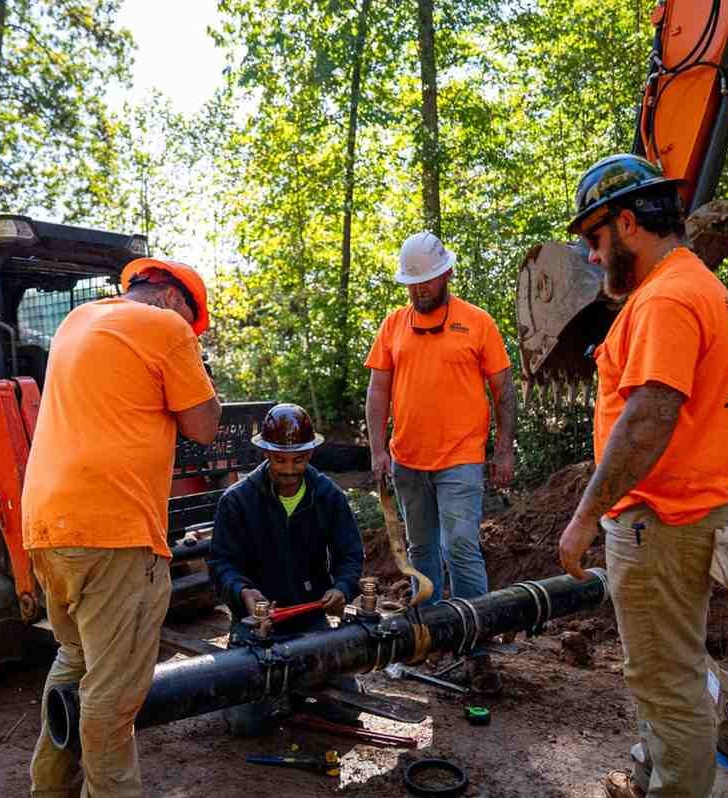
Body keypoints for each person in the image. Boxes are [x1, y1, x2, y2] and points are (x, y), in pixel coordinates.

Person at [555, 155, 728, 798]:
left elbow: (648, 417)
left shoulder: (666, 298)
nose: (591, 255)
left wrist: (585, 516)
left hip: (662, 522)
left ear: (628, 222)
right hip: (691, 514)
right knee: (669, 671)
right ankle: (650, 774)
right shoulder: (694, 285)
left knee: (666, 685)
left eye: (594, 237)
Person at [23, 258, 221, 798]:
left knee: (76, 663)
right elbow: (204, 426)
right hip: (114, 532)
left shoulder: (78, 320)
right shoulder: (166, 327)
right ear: (176, 301)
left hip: (47, 527)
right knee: (112, 700)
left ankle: (49, 788)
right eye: (191, 320)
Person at [364, 231, 516, 685]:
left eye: (427, 280)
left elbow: (504, 390)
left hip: (461, 458)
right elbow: (378, 391)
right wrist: (377, 449)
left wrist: (504, 448)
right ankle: (426, 637)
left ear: (447, 273)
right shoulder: (393, 325)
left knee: (462, 545)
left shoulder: (477, 322)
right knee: (422, 550)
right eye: (412, 284)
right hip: (408, 459)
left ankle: (477, 642)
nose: (419, 289)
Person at [207, 402, 364, 734]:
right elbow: (221, 563)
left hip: (311, 624)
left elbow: (350, 555)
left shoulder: (328, 496)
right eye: (280, 460)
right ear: (265, 453)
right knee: (246, 724)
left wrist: (343, 588)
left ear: (310, 453)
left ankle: (290, 686)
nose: (290, 469)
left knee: (348, 710)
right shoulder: (237, 501)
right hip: (257, 627)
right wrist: (243, 592)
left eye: (299, 459)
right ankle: (279, 689)